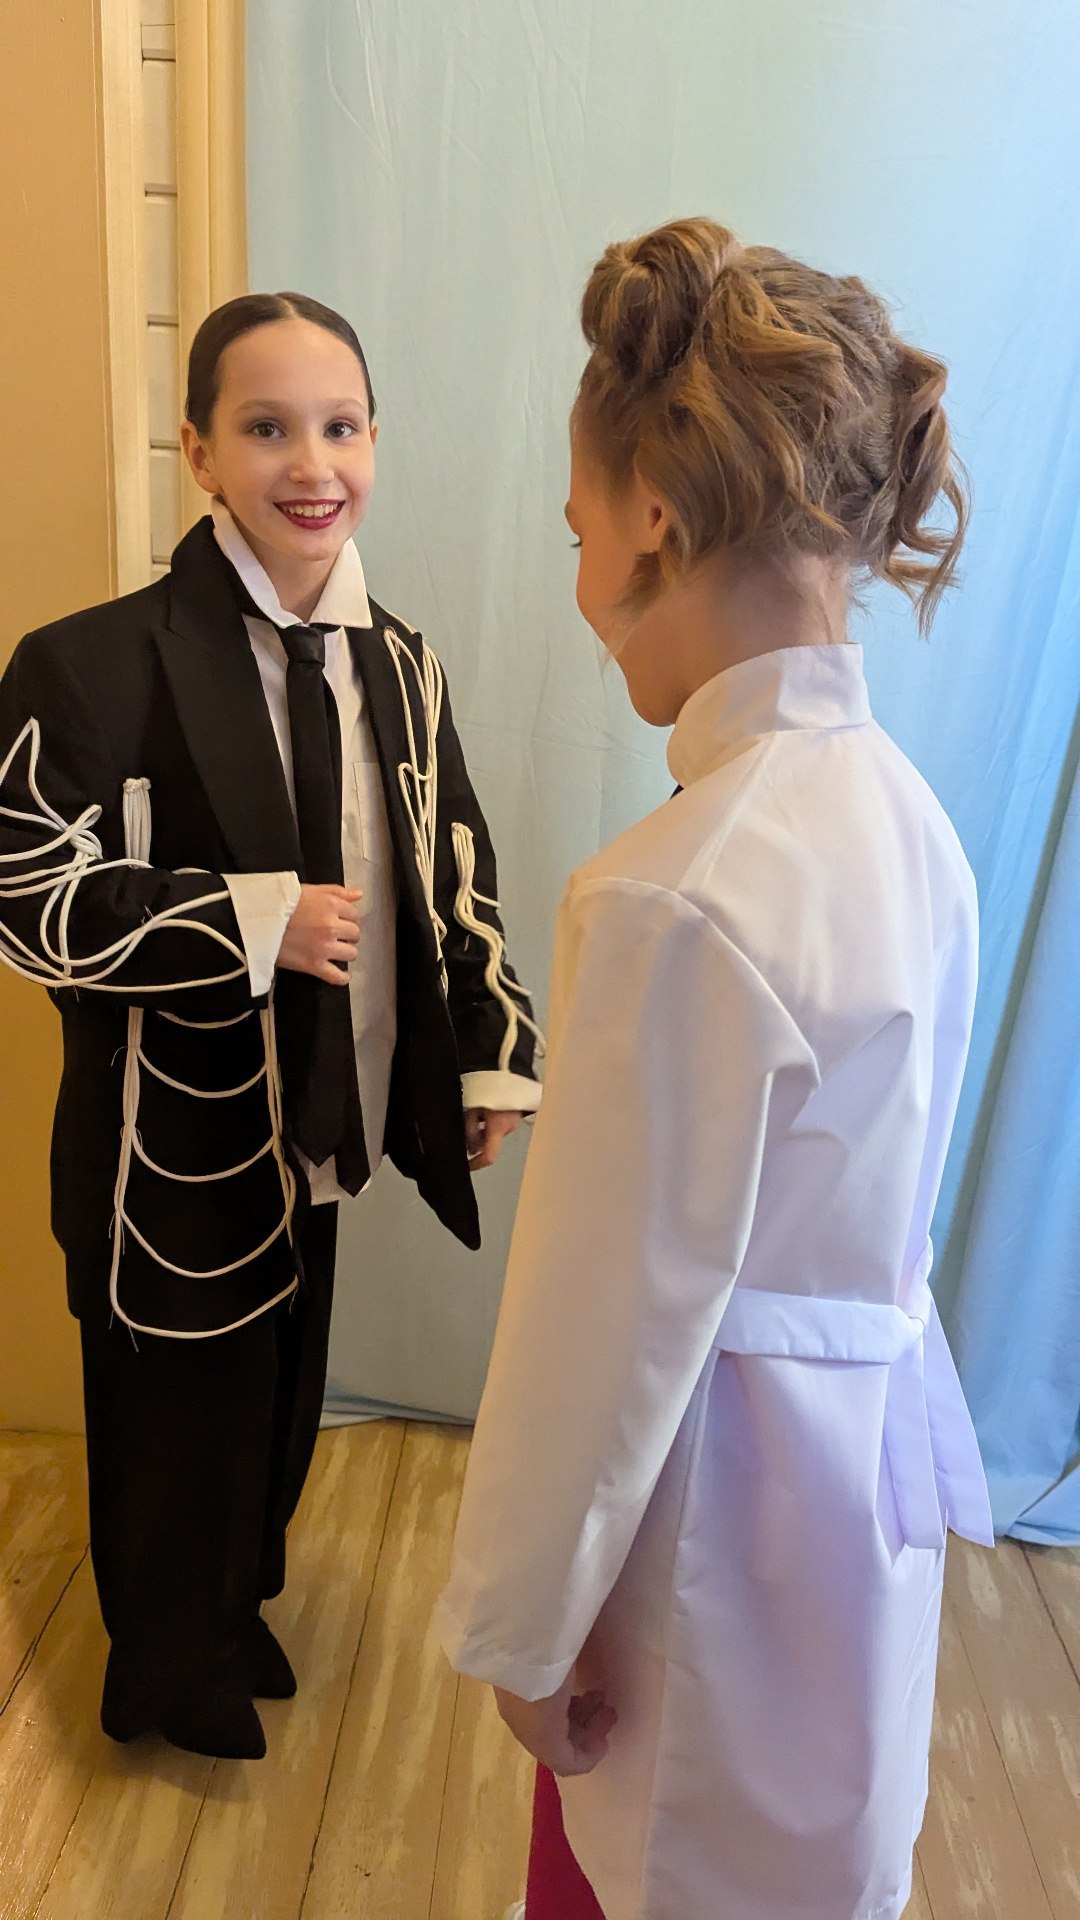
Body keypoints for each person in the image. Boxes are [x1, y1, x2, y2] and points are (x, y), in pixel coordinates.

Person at [436, 220, 993, 1920]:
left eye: (578, 530)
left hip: (711, 1516)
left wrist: (527, 1633)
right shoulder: (910, 825)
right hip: (859, 1488)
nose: (582, 588)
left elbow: (595, 1329)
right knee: (817, 1851)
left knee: (657, 1859)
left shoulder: (671, 893)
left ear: (654, 521)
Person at [0, 291, 541, 1761]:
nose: (313, 464)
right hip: (167, 1146)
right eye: (266, 427)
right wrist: (249, 921)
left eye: (341, 426)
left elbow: (454, 872)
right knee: (174, 1407)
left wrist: (486, 1057)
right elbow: (27, 896)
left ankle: (235, 1609)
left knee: (285, 1390)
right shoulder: (89, 662)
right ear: (199, 450)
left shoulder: (400, 666)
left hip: (332, 1108)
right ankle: (160, 1669)